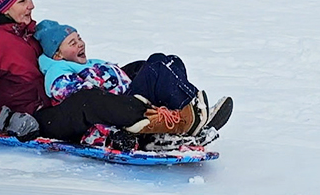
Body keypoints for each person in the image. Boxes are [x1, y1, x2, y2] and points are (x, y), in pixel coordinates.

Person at [0, 0, 201, 143]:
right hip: (41, 119)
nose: (32, 5)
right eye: (23, 1)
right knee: (89, 100)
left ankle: (181, 112)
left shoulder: (29, 32)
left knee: (140, 68)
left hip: (62, 99)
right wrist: (7, 119)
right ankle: (147, 123)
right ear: (5, 8)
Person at [34, 20, 215, 120]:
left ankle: (192, 107)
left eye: (79, 38)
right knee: (158, 67)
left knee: (165, 60)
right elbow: (79, 98)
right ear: (57, 55)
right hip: (123, 105)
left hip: (128, 95)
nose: (80, 44)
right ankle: (192, 110)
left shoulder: (87, 63)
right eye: (72, 43)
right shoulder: (57, 71)